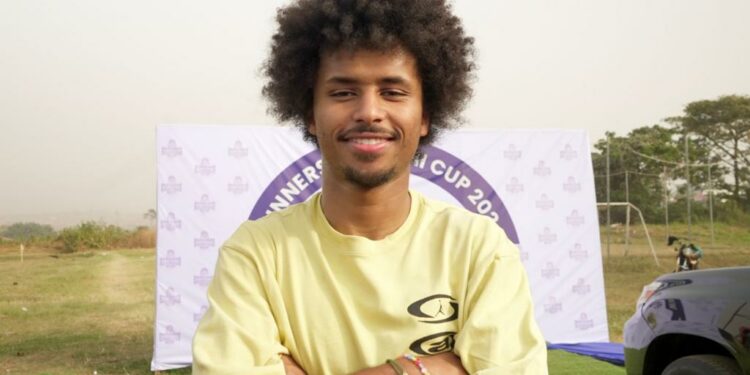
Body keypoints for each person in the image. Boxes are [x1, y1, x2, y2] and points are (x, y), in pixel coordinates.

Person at [192, 0, 548, 374]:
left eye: (393, 92)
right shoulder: (255, 254)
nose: (369, 112)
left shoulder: (480, 249)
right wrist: (428, 368)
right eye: (343, 93)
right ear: (310, 115)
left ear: (425, 116)